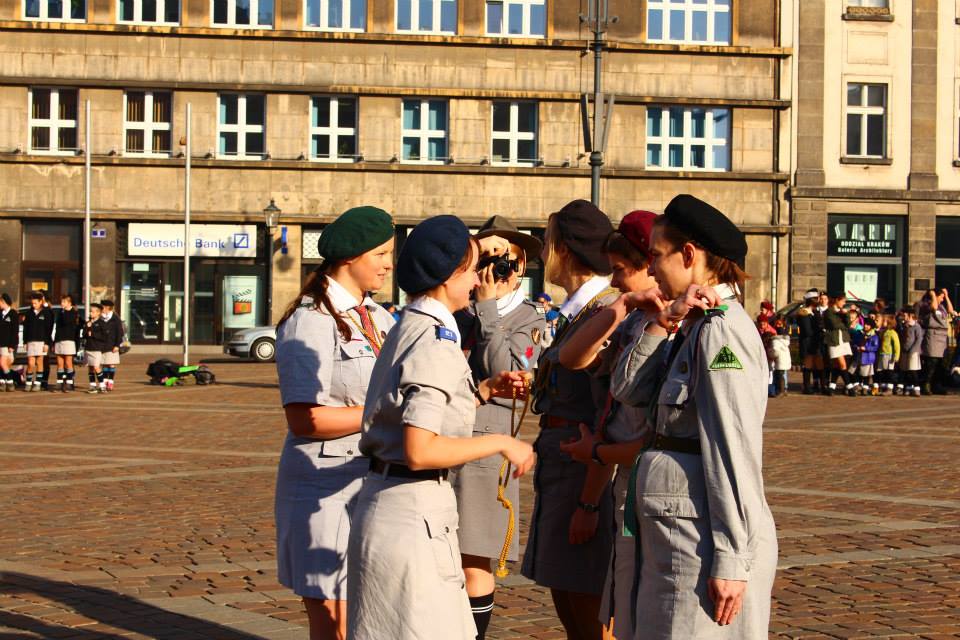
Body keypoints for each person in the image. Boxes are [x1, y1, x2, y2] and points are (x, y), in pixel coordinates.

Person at [347, 215, 535, 640]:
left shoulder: (412, 323)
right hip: (412, 512)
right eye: (471, 271)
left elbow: (410, 408)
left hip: (394, 503)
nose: (477, 280)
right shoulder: (434, 338)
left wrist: (482, 392)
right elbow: (420, 449)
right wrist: (502, 442)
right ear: (448, 276)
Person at [609, 194, 777, 638]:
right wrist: (662, 321)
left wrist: (732, 556)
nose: (651, 268)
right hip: (675, 533)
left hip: (698, 537)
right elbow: (627, 389)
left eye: (656, 255)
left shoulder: (720, 330)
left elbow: (732, 446)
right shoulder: (690, 322)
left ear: (688, 254)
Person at [273, 206, 397, 640]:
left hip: (372, 481)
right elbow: (304, 419)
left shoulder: (381, 318)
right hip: (323, 486)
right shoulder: (310, 320)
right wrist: (383, 414)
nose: (388, 264)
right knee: (336, 624)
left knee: (369, 618)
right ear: (349, 257)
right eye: (381, 254)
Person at [556, 209, 659, 640]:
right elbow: (571, 357)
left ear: (649, 264)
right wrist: (623, 307)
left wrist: (597, 456)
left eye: (620, 270)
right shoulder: (633, 318)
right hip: (624, 485)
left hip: (647, 483)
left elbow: (653, 437)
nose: (613, 280)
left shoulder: (676, 328)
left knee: (635, 610)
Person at [522, 199, 619, 640]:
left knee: (590, 607)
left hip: (583, 474)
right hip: (561, 465)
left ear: (566, 249)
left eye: (547, 242)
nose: (543, 253)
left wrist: (589, 503)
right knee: (566, 593)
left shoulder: (604, 311)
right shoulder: (579, 311)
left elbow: (607, 416)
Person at [449, 215, 545, 640]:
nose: (493, 269)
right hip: (444, 440)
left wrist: (487, 309)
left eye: (501, 259)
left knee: (474, 556)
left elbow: (506, 370)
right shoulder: (458, 311)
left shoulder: (529, 317)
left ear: (520, 265)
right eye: (484, 259)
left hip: (486, 449)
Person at [919, 289, 953, 395]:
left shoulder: (942, 307)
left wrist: (946, 296)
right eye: (941, 297)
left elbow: (951, 311)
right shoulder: (926, 305)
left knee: (940, 363)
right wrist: (933, 295)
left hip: (942, 336)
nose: (942, 299)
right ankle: (926, 385)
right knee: (931, 362)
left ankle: (936, 385)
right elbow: (934, 307)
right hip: (933, 335)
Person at [20, 291, 54, 392]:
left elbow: (48, 329)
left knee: (40, 362)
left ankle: (38, 383)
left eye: (35, 303)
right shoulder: (29, 313)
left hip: (41, 342)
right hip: (31, 341)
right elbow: (26, 328)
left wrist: (47, 343)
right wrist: (25, 342)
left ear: (41, 302)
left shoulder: (46, 313)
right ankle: (28, 382)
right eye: (32, 303)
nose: (33, 305)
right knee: (30, 363)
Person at [796, 288, 825, 395]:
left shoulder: (814, 312)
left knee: (819, 363)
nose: (819, 300)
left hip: (816, 341)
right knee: (808, 363)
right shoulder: (804, 313)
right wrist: (818, 330)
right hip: (808, 342)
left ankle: (823, 386)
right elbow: (807, 330)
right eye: (817, 298)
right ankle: (807, 387)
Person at [823, 293, 853, 396]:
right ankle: (850, 387)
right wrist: (843, 321)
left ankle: (832, 387)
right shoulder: (829, 311)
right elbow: (835, 325)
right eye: (843, 301)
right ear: (837, 300)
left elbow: (848, 325)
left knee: (837, 365)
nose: (844, 303)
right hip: (834, 340)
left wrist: (846, 314)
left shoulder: (842, 312)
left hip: (843, 339)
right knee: (842, 364)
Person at [54, 294, 82, 393]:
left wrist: (64, 311)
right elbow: (58, 327)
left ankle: (70, 382)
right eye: (61, 302)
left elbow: (66, 321)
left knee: (68, 362)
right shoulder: (60, 312)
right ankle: (60, 382)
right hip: (59, 339)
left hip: (69, 340)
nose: (62, 303)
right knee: (59, 363)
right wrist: (55, 341)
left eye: (64, 302)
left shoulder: (72, 312)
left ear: (69, 303)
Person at [83, 303, 108, 394]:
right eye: (90, 311)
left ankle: (102, 385)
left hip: (97, 348)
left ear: (98, 313)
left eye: (93, 312)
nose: (91, 313)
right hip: (89, 347)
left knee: (97, 367)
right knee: (90, 367)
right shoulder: (88, 322)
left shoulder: (102, 323)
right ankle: (92, 385)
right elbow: (84, 335)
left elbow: (104, 336)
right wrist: (87, 328)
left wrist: (92, 333)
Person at [100, 300, 123, 391]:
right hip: (103, 345)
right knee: (105, 364)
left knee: (111, 364)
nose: (101, 308)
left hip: (112, 345)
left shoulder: (115, 318)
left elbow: (120, 333)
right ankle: (105, 381)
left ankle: (111, 382)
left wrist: (117, 345)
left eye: (102, 307)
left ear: (107, 308)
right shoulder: (101, 318)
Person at [899, 309, 923, 397]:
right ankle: (908, 387)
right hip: (905, 351)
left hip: (913, 352)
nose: (903, 317)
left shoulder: (916, 326)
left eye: (905, 315)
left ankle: (917, 388)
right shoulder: (904, 326)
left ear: (910, 315)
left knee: (913, 370)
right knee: (905, 370)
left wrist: (913, 350)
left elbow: (919, 339)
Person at [768, 315, 791, 398]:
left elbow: (775, 351)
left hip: (779, 360)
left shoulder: (776, 340)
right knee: (781, 375)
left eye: (779, 324)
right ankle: (783, 390)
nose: (778, 326)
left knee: (779, 376)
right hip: (784, 360)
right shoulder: (785, 339)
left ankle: (781, 390)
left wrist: (771, 355)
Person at [878, 314, 900, 396]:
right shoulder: (884, 332)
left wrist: (896, 356)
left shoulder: (893, 333)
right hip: (882, 354)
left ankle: (890, 388)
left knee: (890, 372)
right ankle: (884, 387)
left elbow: (897, 345)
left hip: (890, 355)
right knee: (883, 372)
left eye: (884, 321)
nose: (883, 322)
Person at [0, 293, 18, 391]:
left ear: (3, 302)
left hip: (7, 344)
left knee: (3, 363)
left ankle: (10, 382)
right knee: (2, 365)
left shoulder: (13, 314)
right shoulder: (0, 313)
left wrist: (12, 345)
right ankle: (3, 382)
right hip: (0, 343)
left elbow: (15, 331)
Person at [859, 317, 880, 396]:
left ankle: (866, 387)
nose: (865, 326)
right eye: (865, 324)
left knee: (866, 374)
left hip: (868, 358)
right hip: (862, 357)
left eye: (868, 325)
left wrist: (866, 348)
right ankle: (864, 387)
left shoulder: (874, 336)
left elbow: (875, 347)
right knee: (863, 373)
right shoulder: (863, 334)